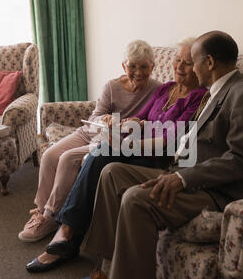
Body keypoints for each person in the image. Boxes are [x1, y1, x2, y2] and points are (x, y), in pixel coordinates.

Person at [60, 30, 243, 279]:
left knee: (135, 199)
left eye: (193, 62)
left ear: (209, 62)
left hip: (217, 192)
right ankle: (104, 268)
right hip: (183, 172)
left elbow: (241, 161)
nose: (185, 67)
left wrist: (183, 178)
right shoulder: (214, 93)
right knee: (112, 173)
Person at [26, 37, 208, 272]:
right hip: (133, 145)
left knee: (99, 156)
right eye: (177, 60)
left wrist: (132, 142)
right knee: (96, 156)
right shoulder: (165, 89)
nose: (179, 67)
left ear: (200, 67)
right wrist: (134, 122)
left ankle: (67, 232)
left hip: (157, 156)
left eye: (187, 63)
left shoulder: (198, 97)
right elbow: (141, 117)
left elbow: (172, 138)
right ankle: (65, 230)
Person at [19, 40, 160, 243]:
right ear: (124, 66)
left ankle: (51, 215)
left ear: (152, 67)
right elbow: (94, 116)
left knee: (68, 158)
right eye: (133, 66)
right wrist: (106, 119)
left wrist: (132, 125)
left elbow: (154, 122)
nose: (138, 72)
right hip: (90, 132)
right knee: (50, 155)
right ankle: (40, 212)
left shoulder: (158, 91)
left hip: (111, 141)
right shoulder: (112, 87)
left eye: (144, 66)